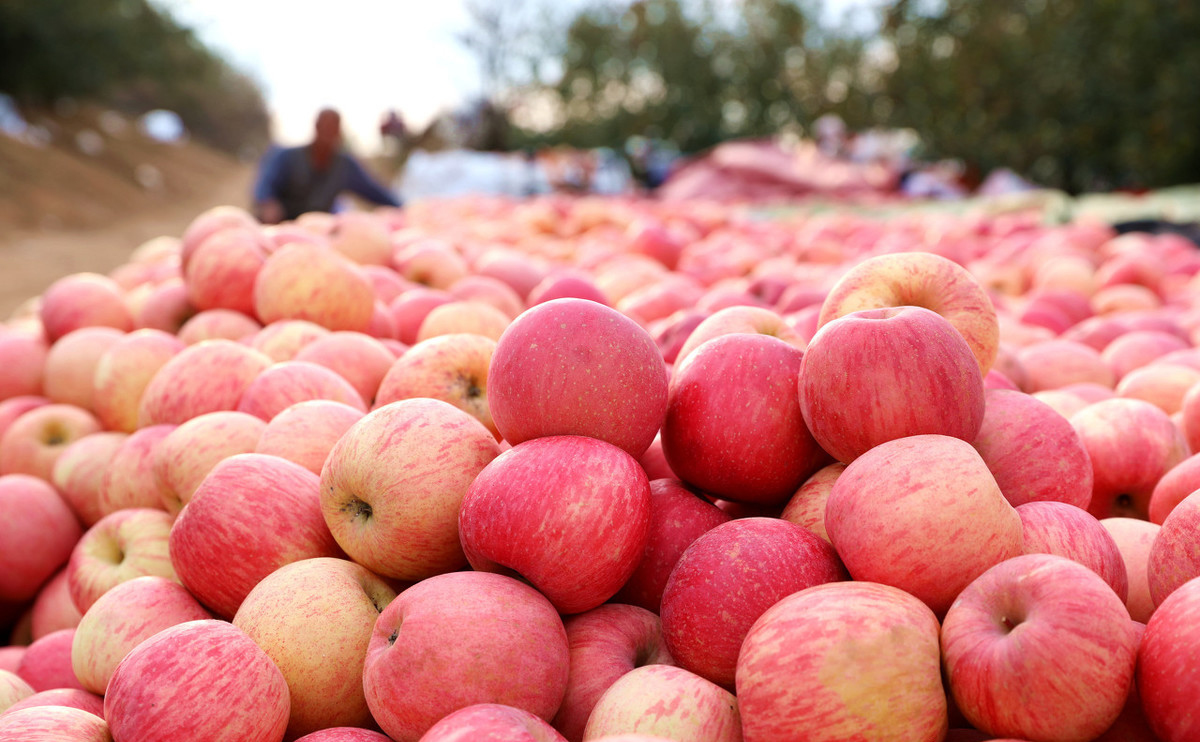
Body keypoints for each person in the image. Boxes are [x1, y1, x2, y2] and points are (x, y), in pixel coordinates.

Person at [253, 108, 401, 224]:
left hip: (318, 234)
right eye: (325, 127)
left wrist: (403, 209)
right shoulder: (286, 156)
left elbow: (375, 192)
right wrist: (268, 203)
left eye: (333, 129)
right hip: (282, 229)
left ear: (339, 132)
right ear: (316, 127)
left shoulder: (345, 166)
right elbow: (264, 184)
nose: (328, 134)